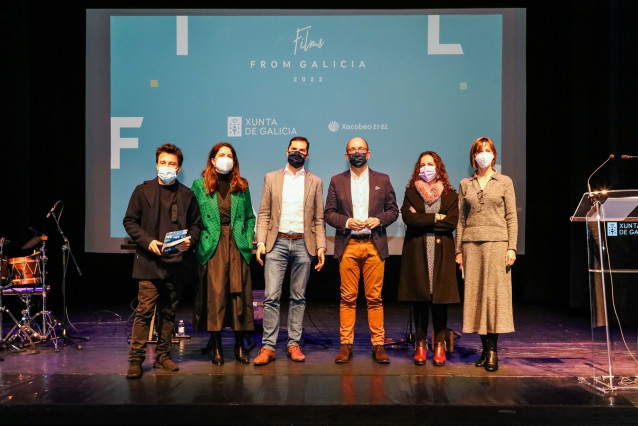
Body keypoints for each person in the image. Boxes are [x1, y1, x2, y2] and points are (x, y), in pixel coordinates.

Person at [123, 143, 202, 379]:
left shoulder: (187, 195)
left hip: (176, 263)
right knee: (145, 311)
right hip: (149, 262)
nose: (167, 167)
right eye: (163, 163)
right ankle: (136, 360)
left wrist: (191, 241)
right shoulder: (142, 190)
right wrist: (148, 241)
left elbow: (197, 225)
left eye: (172, 164)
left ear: (179, 169)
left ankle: (163, 356)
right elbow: (130, 222)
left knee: (168, 313)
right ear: (157, 164)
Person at [324, 137, 399, 364]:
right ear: (347, 155)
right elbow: (328, 213)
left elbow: (394, 210)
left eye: (361, 149)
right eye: (352, 150)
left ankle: (378, 345)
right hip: (348, 245)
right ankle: (346, 345)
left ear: (369, 153)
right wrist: (347, 222)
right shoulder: (337, 181)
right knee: (347, 298)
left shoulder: (383, 180)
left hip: (374, 245)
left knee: (374, 298)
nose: (357, 152)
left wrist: (379, 220)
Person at [253, 136, 326, 365]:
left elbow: (318, 219)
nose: (297, 153)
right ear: (286, 151)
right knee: (272, 297)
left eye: (302, 150)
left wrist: (322, 246)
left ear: (307, 155)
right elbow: (264, 213)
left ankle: (294, 344)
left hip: (304, 244)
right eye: (294, 149)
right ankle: (268, 347)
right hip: (277, 243)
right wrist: (261, 242)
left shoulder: (316, 181)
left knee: (298, 298)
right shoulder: (271, 178)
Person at [455, 137, 518, 372]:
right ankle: (483, 349)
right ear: (473, 156)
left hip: (497, 243)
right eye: (480, 151)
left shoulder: (504, 181)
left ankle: (492, 351)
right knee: (476, 297)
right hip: (471, 245)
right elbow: (461, 219)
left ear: (494, 155)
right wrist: (458, 250)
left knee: (494, 297)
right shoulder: (465, 183)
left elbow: (511, 216)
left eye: (488, 150)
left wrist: (512, 246)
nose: (484, 154)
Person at [191, 142, 256, 365]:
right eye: (221, 155)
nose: (225, 158)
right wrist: (199, 242)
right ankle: (216, 345)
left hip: (237, 245)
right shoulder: (199, 186)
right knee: (215, 294)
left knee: (239, 296)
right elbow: (194, 219)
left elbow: (249, 217)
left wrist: (247, 239)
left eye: (229, 155)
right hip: (213, 245)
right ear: (212, 160)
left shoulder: (242, 186)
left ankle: (239, 346)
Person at [397, 151, 459, 366]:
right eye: (422, 164)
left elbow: (451, 223)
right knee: (420, 299)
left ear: (438, 167)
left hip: (441, 254)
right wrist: (435, 217)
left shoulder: (451, 194)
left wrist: (422, 218)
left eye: (430, 164)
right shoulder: (410, 192)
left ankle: (439, 345)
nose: (426, 168)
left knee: (440, 301)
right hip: (418, 252)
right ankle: (421, 345)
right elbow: (408, 218)